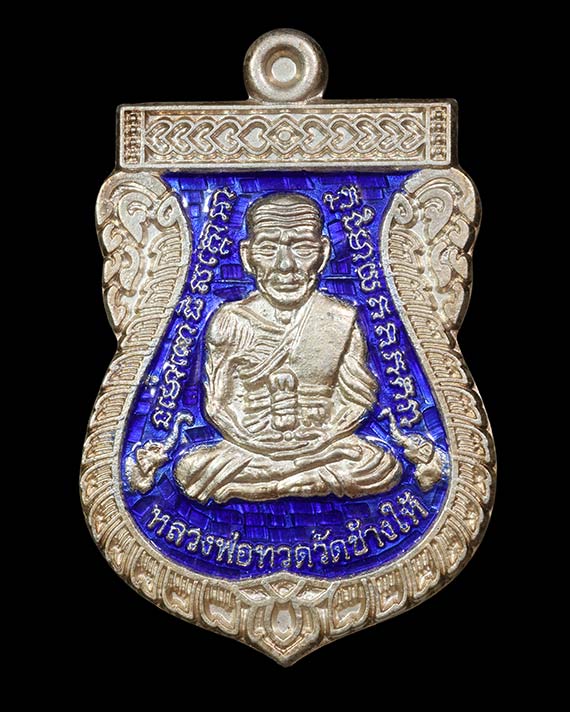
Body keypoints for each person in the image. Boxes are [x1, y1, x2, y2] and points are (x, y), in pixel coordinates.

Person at [174, 193, 401, 502]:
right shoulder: (231, 320)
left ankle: (268, 487)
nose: (285, 266)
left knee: (379, 465)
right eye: (268, 249)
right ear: (247, 256)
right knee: (190, 468)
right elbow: (218, 404)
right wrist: (255, 441)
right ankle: (297, 483)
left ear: (323, 253)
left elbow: (359, 397)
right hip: (250, 449)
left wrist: (323, 437)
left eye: (302, 248)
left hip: (323, 447)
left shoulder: (339, 318)